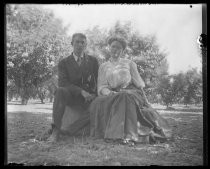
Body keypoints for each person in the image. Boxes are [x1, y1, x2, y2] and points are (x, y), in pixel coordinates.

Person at [89, 36, 172, 145]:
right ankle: (104, 132)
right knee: (97, 102)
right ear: (109, 48)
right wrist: (110, 93)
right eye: (113, 47)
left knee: (124, 96)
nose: (115, 50)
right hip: (112, 93)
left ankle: (126, 136)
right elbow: (101, 86)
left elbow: (139, 84)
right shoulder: (103, 66)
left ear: (122, 51)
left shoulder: (129, 63)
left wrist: (146, 102)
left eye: (118, 48)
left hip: (131, 91)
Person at [46, 33, 99, 142]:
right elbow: (63, 83)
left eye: (83, 42)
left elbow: (98, 80)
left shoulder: (93, 61)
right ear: (72, 43)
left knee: (100, 103)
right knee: (60, 91)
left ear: (86, 45)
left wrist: (94, 93)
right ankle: (56, 130)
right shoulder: (64, 63)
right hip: (71, 96)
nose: (80, 45)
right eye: (77, 42)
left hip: (88, 98)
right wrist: (81, 91)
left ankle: (70, 130)